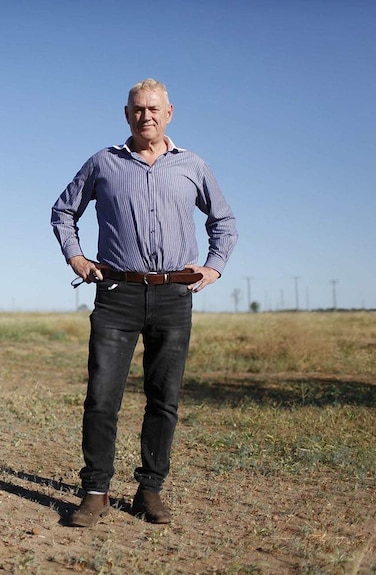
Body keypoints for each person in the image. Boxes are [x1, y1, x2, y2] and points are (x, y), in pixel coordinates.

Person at [50, 78, 238, 527]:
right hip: (117, 293)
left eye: (154, 109)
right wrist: (75, 257)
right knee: (102, 397)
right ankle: (95, 492)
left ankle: (149, 489)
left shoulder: (192, 165)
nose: (146, 116)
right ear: (126, 114)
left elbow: (224, 221)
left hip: (175, 295)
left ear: (169, 113)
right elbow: (63, 211)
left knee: (164, 398)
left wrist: (213, 267)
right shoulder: (104, 163)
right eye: (137, 109)